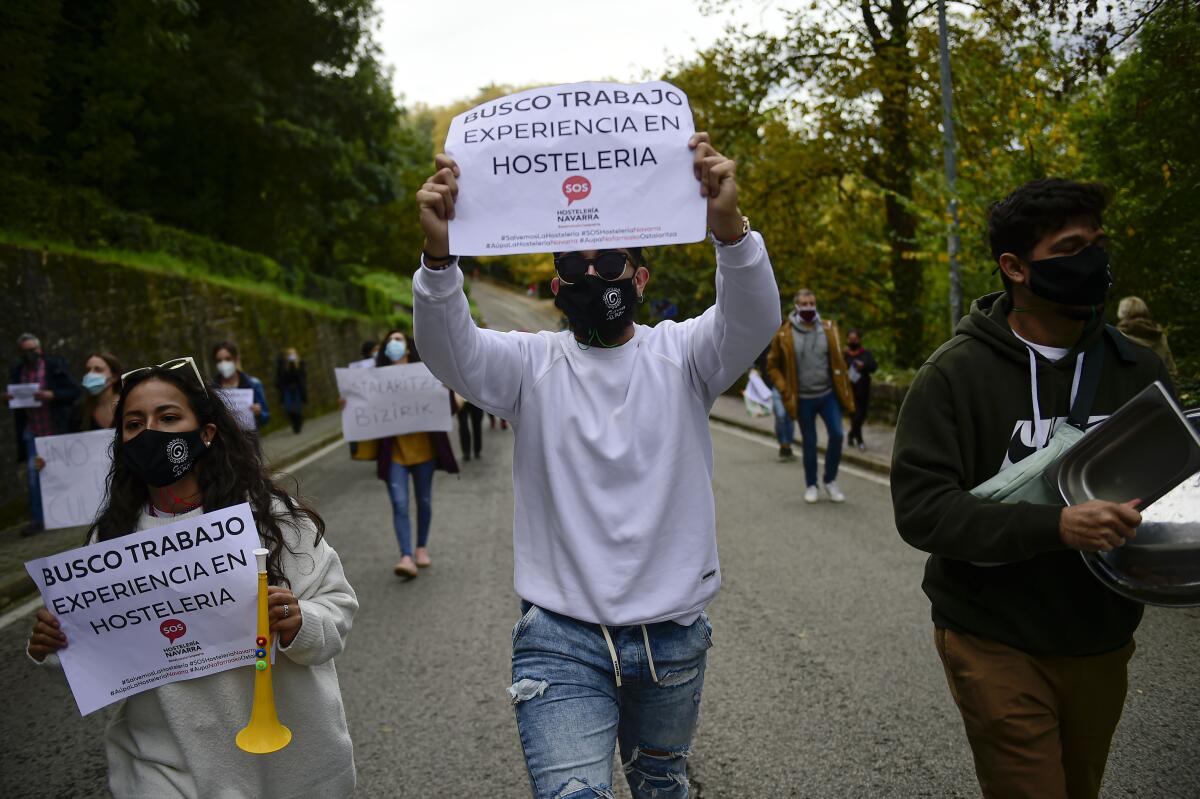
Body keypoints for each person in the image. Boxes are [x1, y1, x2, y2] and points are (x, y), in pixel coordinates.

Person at [413, 132, 780, 799]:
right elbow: (451, 353)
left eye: (610, 259)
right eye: (574, 264)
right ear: (555, 282)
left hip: (672, 635)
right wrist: (440, 259)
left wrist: (729, 228)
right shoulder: (530, 366)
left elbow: (753, 317)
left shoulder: (686, 356)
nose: (592, 276)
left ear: (640, 278)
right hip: (559, 637)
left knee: (661, 782)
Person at [891, 178, 1174, 799]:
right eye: (1072, 246)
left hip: (1101, 637)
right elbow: (921, 511)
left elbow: (1176, 490)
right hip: (993, 635)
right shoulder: (954, 376)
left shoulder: (1139, 371)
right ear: (1014, 267)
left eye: (1098, 243)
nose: (1094, 259)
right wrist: (1057, 527)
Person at [27, 356, 357, 798]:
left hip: (288, 765)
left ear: (206, 433)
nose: (150, 434)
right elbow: (94, 654)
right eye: (134, 424)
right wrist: (54, 644)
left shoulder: (275, 522)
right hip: (167, 768)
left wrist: (302, 622)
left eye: (168, 417)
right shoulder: (109, 544)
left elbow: (337, 609)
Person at [369, 330, 458, 578]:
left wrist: (445, 390)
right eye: (389, 341)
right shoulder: (374, 379)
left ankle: (421, 547)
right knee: (399, 503)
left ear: (408, 348)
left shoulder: (426, 374)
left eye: (398, 340)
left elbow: (448, 409)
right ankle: (406, 556)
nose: (393, 344)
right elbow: (364, 413)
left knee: (424, 501)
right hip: (394, 453)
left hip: (425, 451)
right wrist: (351, 404)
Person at [766, 290, 855, 504]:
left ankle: (830, 480)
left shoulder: (828, 329)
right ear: (796, 306)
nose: (808, 307)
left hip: (827, 395)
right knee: (810, 442)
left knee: (837, 434)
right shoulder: (784, 334)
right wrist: (784, 388)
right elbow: (772, 365)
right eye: (804, 303)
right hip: (802, 398)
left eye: (812, 303)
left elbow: (839, 362)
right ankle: (811, 485)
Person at [4, 333, 81, 535]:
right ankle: (38, 519)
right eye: (25, 351)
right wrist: (9, 397)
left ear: (39, 349)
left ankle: (73, 512)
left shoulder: (54, 366)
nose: (29, 354)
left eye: (33, 349)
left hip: (56, 429)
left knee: (64, 471)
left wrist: (52, 395)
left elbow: (74, 392)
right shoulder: (18, 371)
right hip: (33, 432)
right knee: (33, 476)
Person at [1116, 296, 1179, 384]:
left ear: (1122, 312)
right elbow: (1170, 371)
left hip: (1130, 392)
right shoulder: (1158, 335)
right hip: (1157, 390)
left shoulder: (1118, 336)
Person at [212, 342, 269, 430]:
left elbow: (265, 417)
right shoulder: (212, 389)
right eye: (219, 360)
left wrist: (259, 413)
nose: (223, 364)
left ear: (236, 359)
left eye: (228, 359)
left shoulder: (253, 384)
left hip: (249, 440)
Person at [755, 346, 794, 460]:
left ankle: (788, 445)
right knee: (780, 415)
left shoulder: (791, 340)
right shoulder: (768, 343)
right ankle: (783, 445)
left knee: (789, 417)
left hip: (790, 386)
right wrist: (752, 368)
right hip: (774, 386)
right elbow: (757, 357)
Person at [843, 330, 878, 451]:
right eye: (850, 339)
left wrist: (863, 365)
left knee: (861, 416)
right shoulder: (844, 355)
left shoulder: (865, 353)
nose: (853, 342)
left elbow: (874, 366)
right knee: (855, 416)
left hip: (863, 391)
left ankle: (851, 434)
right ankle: (859, 440)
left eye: (855, 339)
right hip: (849, 391)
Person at [79, 352, 123, 431]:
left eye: (98, 370)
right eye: (88, 370)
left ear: (114, 377)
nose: (90, 374)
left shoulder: (128, 405)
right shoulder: (79, 411)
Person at [276, 347, 308, 434]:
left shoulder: (300, 364)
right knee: (289, 408)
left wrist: (294, 366)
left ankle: (298, 424)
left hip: (297, 389)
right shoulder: (283, 365)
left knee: (297, 408)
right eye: (289, 355)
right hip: (288, 389)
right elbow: (281, 378)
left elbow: (302, 378)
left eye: (293, 354)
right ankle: (294, 423)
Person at [457, 396, 484, 461]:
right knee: (463, 426)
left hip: (476, 398)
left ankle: (477, 450)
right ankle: (466, 452)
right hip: (461, 398)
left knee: (477, 425)